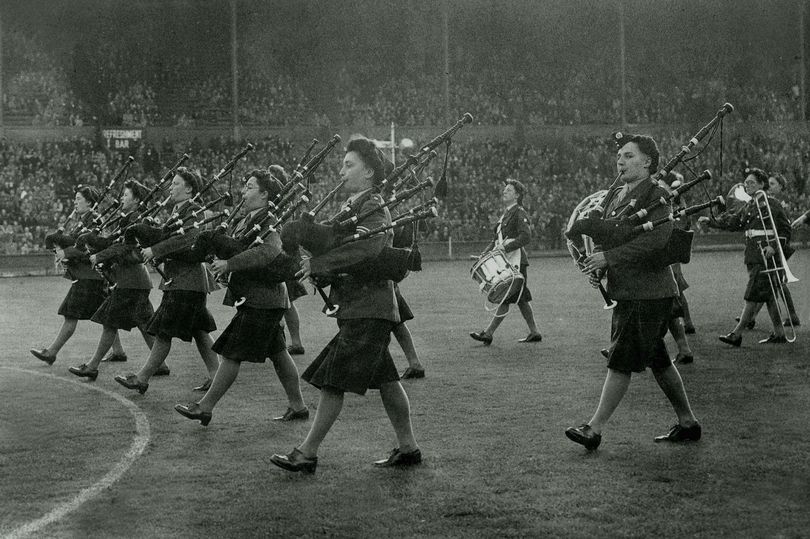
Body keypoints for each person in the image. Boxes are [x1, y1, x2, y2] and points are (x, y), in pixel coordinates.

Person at [270, 137, 420, 473]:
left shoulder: (375, 208)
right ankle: (408, 448)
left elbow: (364, 251)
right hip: (361, 306)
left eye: (349, 164)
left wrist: (320, 265)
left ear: (368, 172)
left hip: (370, 307)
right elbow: (339, 246)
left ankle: (307, 452)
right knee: (386, 380)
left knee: (333, 380)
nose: (342, 170)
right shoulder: (354, 207)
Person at [565, 133, 701, 450]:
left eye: (628, 156)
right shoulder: (618, 196)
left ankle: (594, 429)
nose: (620, 161)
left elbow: (657, 239)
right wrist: (600, 262)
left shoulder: (657, 195)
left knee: (620, 361)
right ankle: (688, 423)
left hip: (647, 293)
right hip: (632, 290)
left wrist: (609, 258)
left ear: (648, 162)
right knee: (660, 362)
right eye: (620, 156)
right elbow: (606, 233)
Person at [174, 169, 308, 425]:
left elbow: (265, 254)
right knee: (279, 353)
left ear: (265, 194)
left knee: (232, 354)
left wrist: (230, 264)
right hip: (261, 298)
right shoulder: (249, 220)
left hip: (263, 300)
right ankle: (298, 406)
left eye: (249, 186)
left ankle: (206, 406)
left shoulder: (271, 222)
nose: (243, 192)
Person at [114, 167, 219, 394]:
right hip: (185, 282)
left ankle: (141, 378)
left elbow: (188, 239)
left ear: (189, 188)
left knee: (164, 332)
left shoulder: (195, 211)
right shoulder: (177, 211)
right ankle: (217, 376)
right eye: (171, 184)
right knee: (200, 330)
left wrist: (156, 249)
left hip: (187, 282)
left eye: (176, 184)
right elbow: (169, 238)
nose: (171, 188)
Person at [68, 179, 164, 380]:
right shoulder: (130, 218)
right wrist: (90, 239)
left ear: (137, 199)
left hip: (130, 280)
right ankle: (160, 364)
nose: (121, 198)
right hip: (136, 280)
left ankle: (92, 366)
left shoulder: (137, 219)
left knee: (110, 322)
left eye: (126, 195)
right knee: (145, 323)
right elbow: (110, 242)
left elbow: (124, 247)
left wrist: (98, 256)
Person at [701, 168, 792, 346]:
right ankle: (780, 333)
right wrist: (711, 222)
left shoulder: (770, 203)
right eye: (746, 182)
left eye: (751, 183)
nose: (747, 185)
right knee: (768, 295)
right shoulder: (751, 204)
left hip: (765, 255)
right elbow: (736, 222)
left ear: (762, 184)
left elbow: (785, 229)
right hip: (753, 253)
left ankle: (737, 334)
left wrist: (773, 246)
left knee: (752, 295)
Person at [30, 186, 109, 365]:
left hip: (88, 275)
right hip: (89, 276)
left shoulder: (94, 220)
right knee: (106, 315)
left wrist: (66, 254)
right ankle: (118, 351)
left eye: (79, 199)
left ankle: (52, 352)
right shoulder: (83, 220)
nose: (75, 202)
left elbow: (92, 248)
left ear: (89, 202)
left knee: (71, 314)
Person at [470, 179, 542, 345]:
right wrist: (484, 254)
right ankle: (534, 332)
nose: (504, 192)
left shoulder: (519, 213)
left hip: (516, 261)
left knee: (506, 298)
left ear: (517, 195)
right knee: (520, 298)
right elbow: (496, 240)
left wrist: (507, 248)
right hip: (508, 262)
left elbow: (526, 236)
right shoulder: (506, 215)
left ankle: (488, 333)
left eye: (508, 191)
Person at [743, 173, 800, 327]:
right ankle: (752, 316)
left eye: (773, 184)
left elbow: (783, 226)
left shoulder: (777, 202)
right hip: (776, 242)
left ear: (781, 186)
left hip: (778, 243)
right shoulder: (764, 200)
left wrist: (776, 245)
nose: (770, 187)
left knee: (773, 281)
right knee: (772, 282)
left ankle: (751, 317)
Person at [269, 164, 308, 356]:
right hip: (285, 254)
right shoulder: (283, 202)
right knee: (286, 302)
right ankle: (292, 340)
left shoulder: (282, 204)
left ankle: (291, 341)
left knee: (285, 301)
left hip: (284, 254)